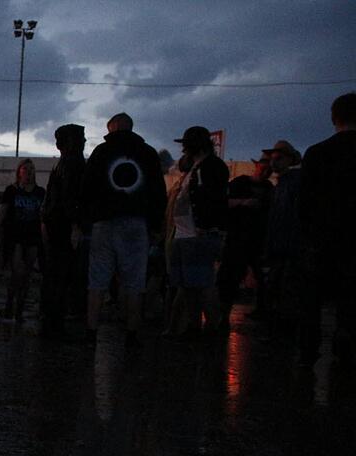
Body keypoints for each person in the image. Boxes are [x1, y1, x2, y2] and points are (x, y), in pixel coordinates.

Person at [80, 112, 167, 349]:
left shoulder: (101, 152)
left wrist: (87, 221)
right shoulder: (147, 153)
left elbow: (86, 188)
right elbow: (158, 192)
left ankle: (91, 331)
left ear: (113, 128)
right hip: (136, 224)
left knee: (97, 280)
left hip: (104, 223)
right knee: (134, 282)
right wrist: (156, 225)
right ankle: (131, 334)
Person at [298, 92, 356, 368]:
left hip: (320, 240)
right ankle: (346, 350)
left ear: (334, 118)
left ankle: (308, 353)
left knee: (313, 301)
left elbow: (304, 201)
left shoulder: (318, 153)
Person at [167, 125, 228, 339]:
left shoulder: (211, 167)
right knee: (189, 284)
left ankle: (212, 325)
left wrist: (206, 225)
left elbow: (215, 198)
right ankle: (194, 326)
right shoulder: (197, 167)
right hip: (186, 234)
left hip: (197, 234)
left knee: (201, 283)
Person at [40, 123, 86, 338]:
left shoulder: (62, 165)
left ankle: (51, 320)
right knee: (65, 275)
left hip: (55, 226)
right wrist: (76, 224)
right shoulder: (74, 164)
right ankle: (57, 322)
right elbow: (70, 198)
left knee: (55, 276)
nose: (84, 141)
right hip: (64, 227)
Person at [218, 154, 272, 330]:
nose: (265, 172)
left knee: (262, 279)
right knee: (230, 278)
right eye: (263, 168)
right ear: (256, 166)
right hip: (238, 238)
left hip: (258, 240)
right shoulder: (240, 183)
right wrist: (244, 202)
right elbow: (223, 202)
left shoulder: (269, 189)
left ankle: (262, 310)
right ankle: (223, 316)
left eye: (268, 170)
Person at [261, 140, 303, 345]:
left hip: (287, 246)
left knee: (284, 291)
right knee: (279, 290)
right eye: (272, 159)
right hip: (282, 245)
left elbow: (288, 217)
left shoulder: (292, 182)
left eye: (278, 159)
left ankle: (283, 334)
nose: (273, 163)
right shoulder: (285, 182)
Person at [0, 158, 45, 323]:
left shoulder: (40, 193)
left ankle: (19, 308)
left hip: (32, 237)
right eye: (25, 169)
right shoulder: (11, 191)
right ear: (19, 172)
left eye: (31, 169)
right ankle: (10, 303)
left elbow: (44, 216)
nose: (28, 172)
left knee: (27, 274)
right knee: (17, 272)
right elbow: (2, 211)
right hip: (15, 236)